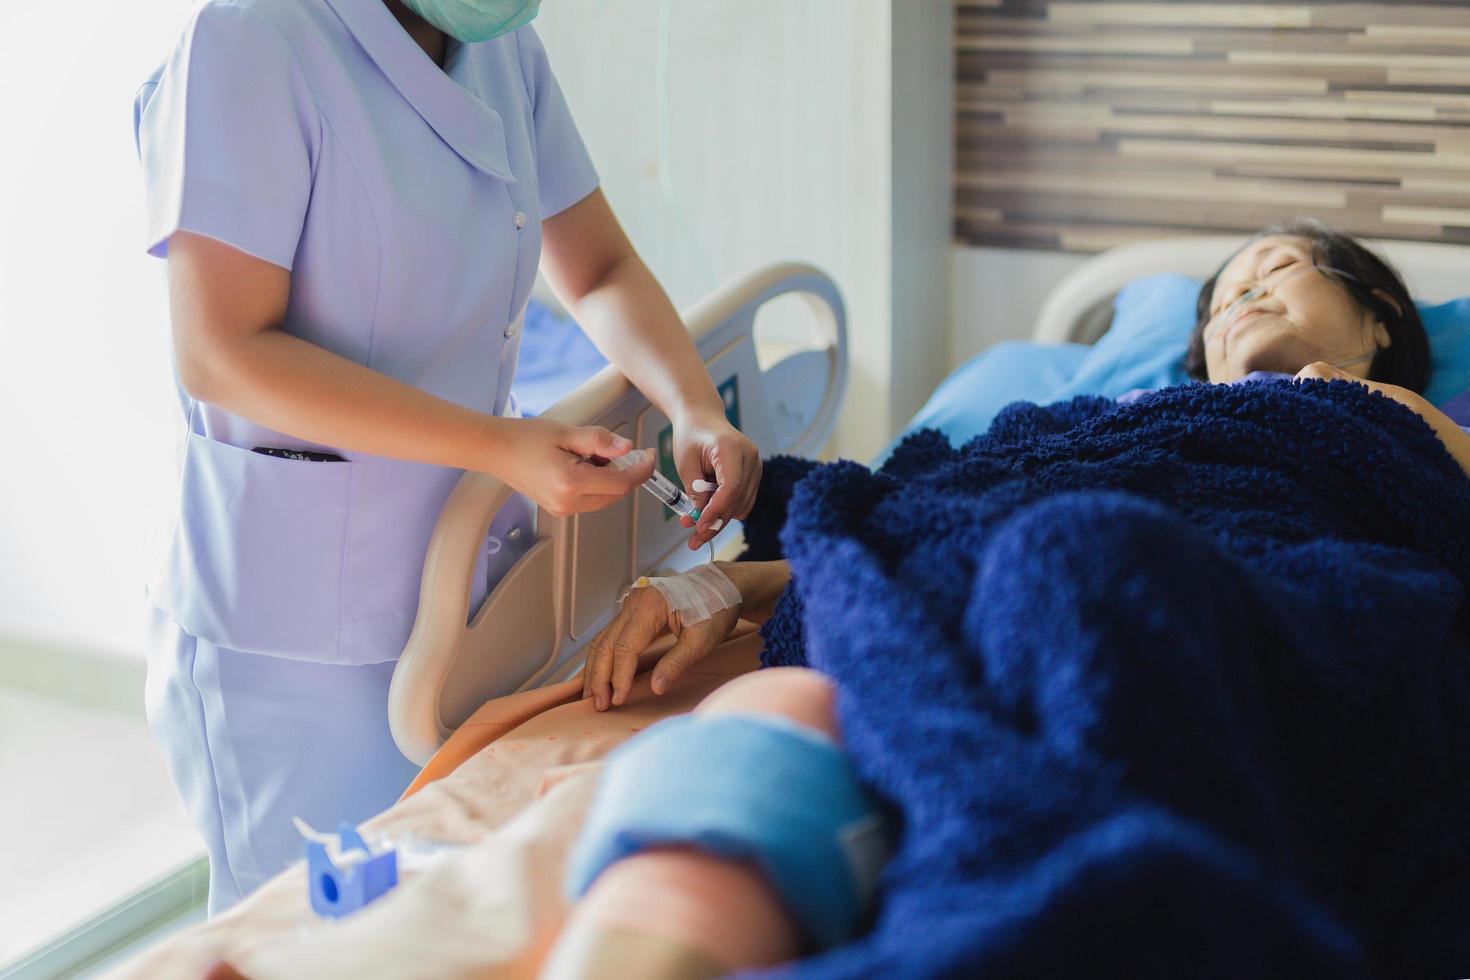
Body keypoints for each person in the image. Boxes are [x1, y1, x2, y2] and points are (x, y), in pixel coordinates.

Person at [559, 220, 1470, 976]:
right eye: (1224, 296)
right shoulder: (1106, 422)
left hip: (1219, 594)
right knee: (764, 706)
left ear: (1380, 312)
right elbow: (911, 527)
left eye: (1276, 268)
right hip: (996, 597)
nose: (1242, 295)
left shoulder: (1403, 417)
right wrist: (713, 583)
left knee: (1081, 557)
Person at [133, 0, 759, 914]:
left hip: (463, 589)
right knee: (314, 935)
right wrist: (500, 445)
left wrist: (693, 406)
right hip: (294, 632)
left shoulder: (503, 50)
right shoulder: (249, 39)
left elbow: (597, 269)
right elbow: (222, 350)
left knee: (426, 922)